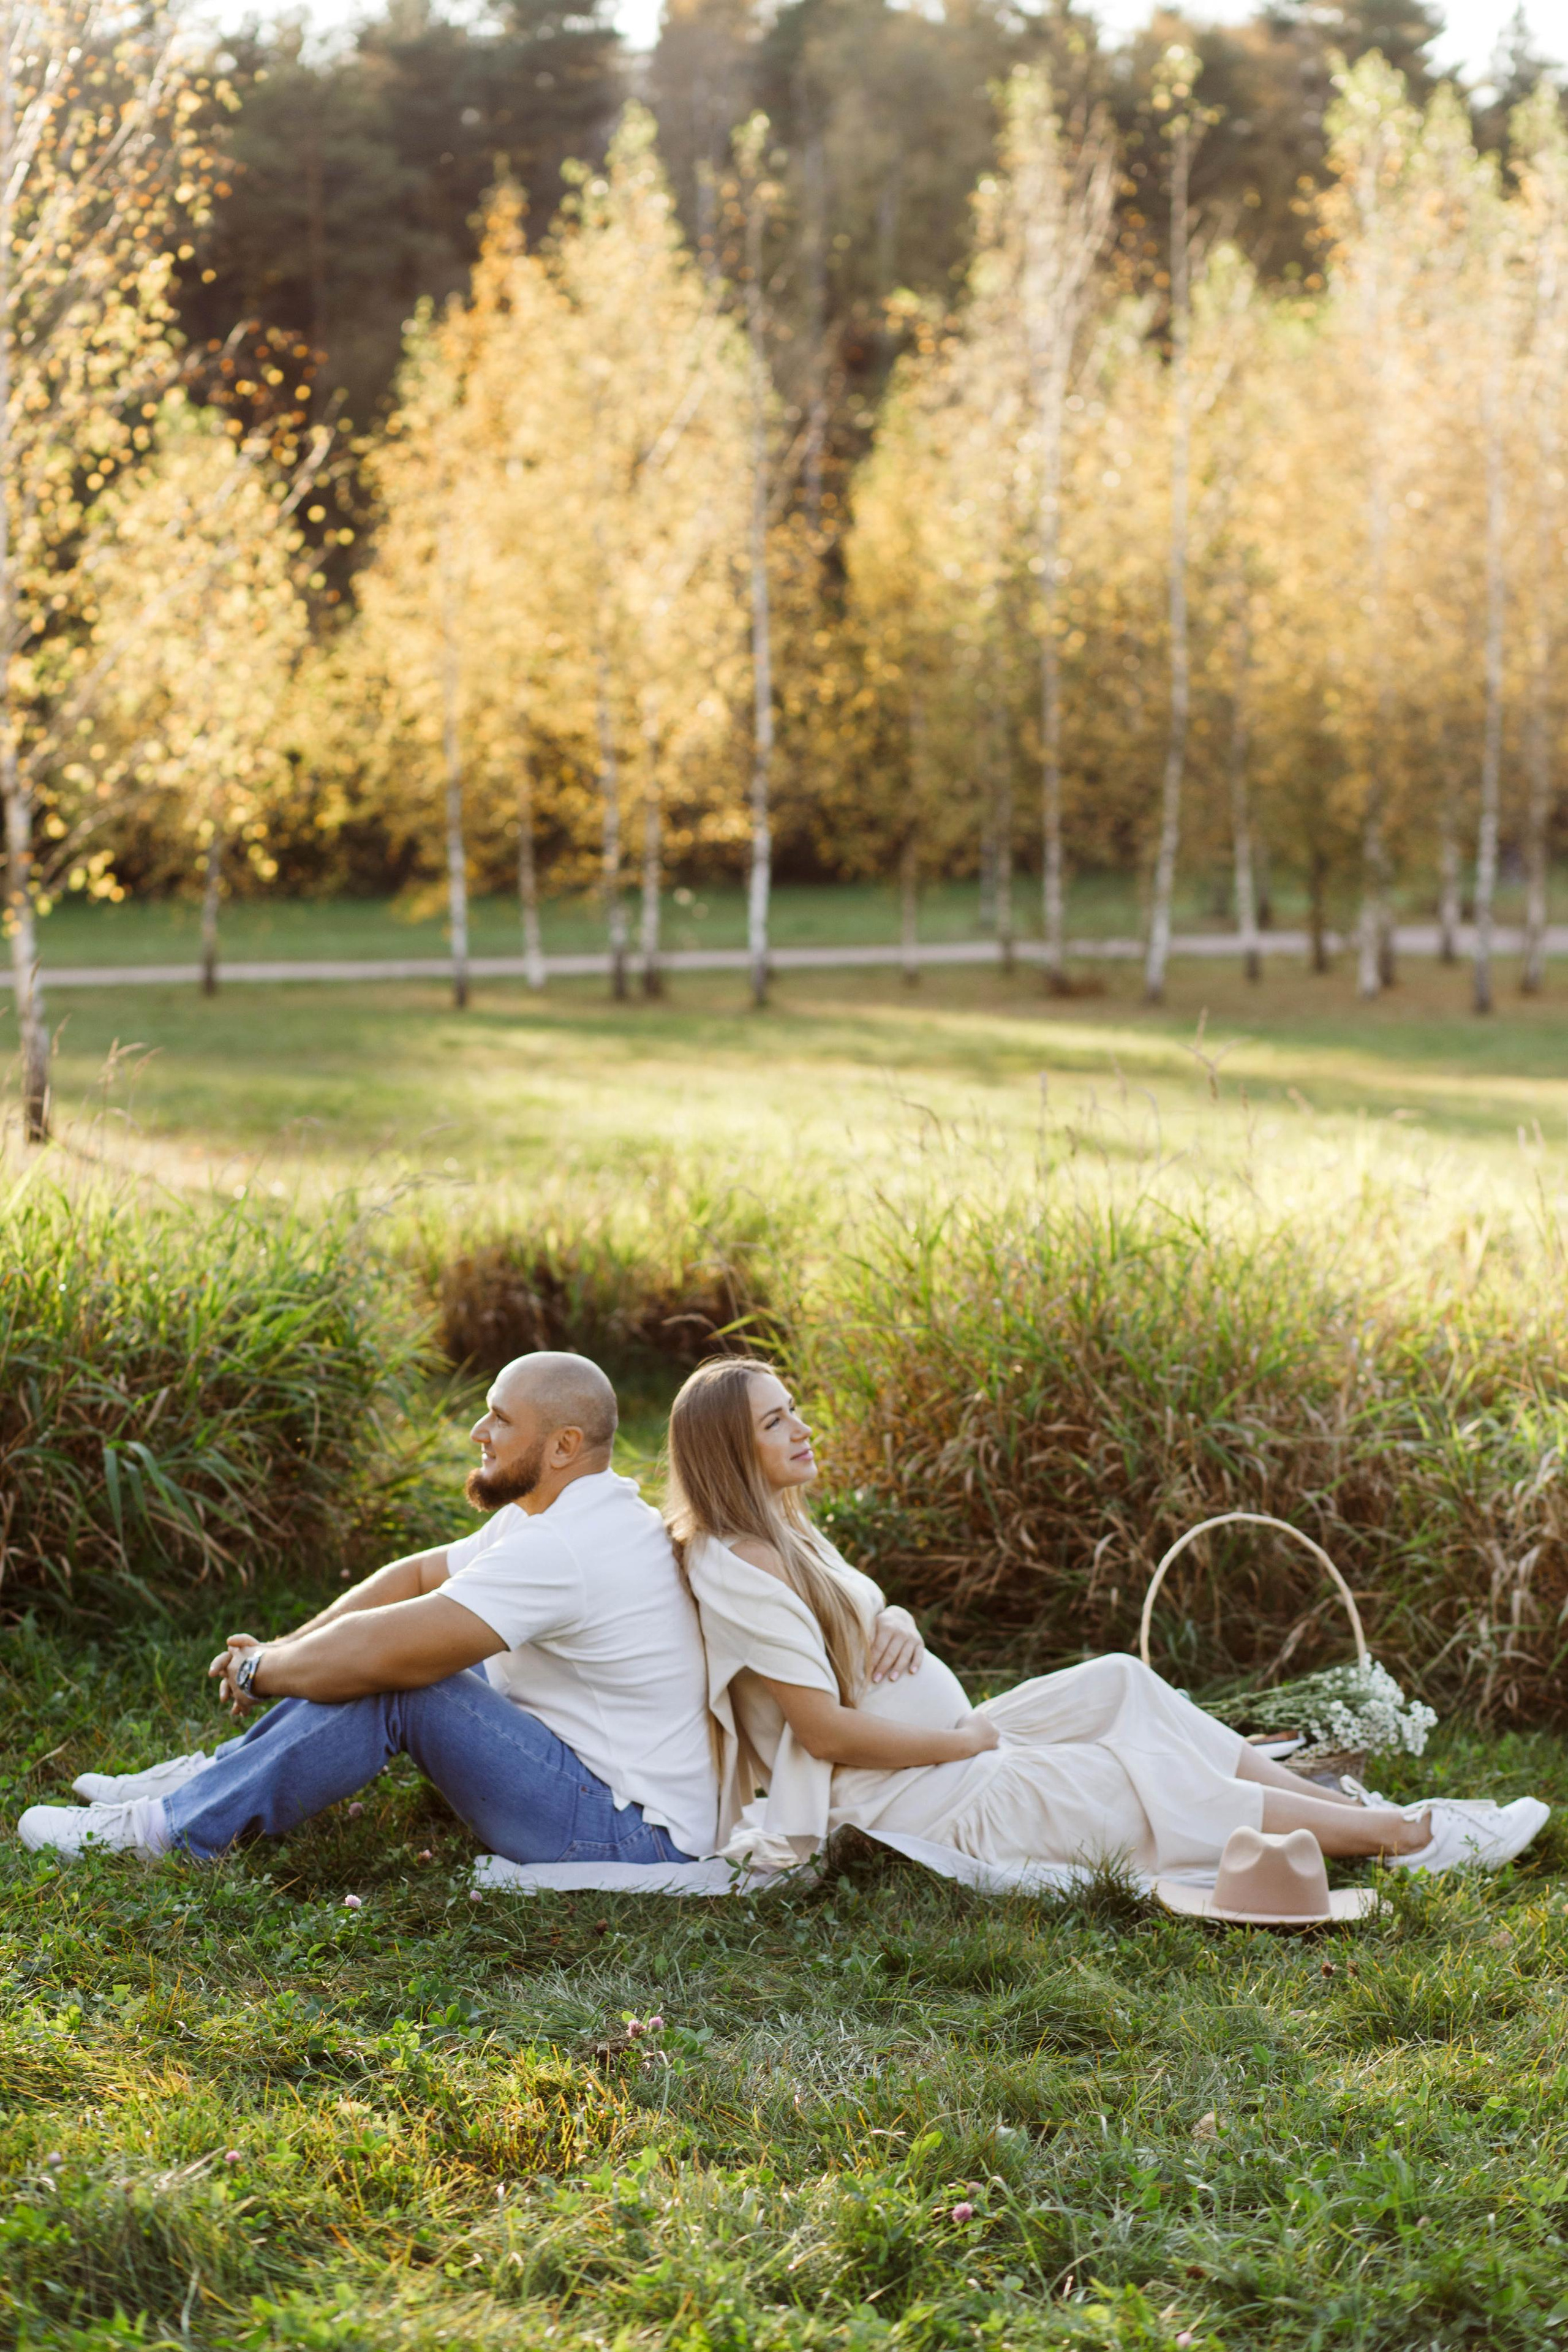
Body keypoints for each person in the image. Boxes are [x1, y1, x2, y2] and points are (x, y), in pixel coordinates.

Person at [666, 1357, 1550, 1884]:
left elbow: (847, 1623)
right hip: (905, 1796)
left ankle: (1345, 1807)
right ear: (726, 1449)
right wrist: (965, 1745)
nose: (803, 1428)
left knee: (1120, 1682)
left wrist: (896, 1614)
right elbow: (822, 1733)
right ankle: (1405, 1835)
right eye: (777, 1421)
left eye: (794, 1409)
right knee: (1135, 1774)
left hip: (948, 1752)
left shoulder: (783, 1530)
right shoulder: (740, 1563)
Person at [20, 1352, 717, 1870]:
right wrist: (284, 1644)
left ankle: (168, 1834)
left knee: (407, 1680)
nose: (479, 1430)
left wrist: (262, 1669)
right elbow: (414, 1574)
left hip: (628, 1836)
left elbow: (383, 1651)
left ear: (564, 1445)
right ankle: (209, 1780)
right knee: (402, 1651)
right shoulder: (571, 1509)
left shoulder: (567, 1544)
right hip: (601, 1788)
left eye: (501, 1419)